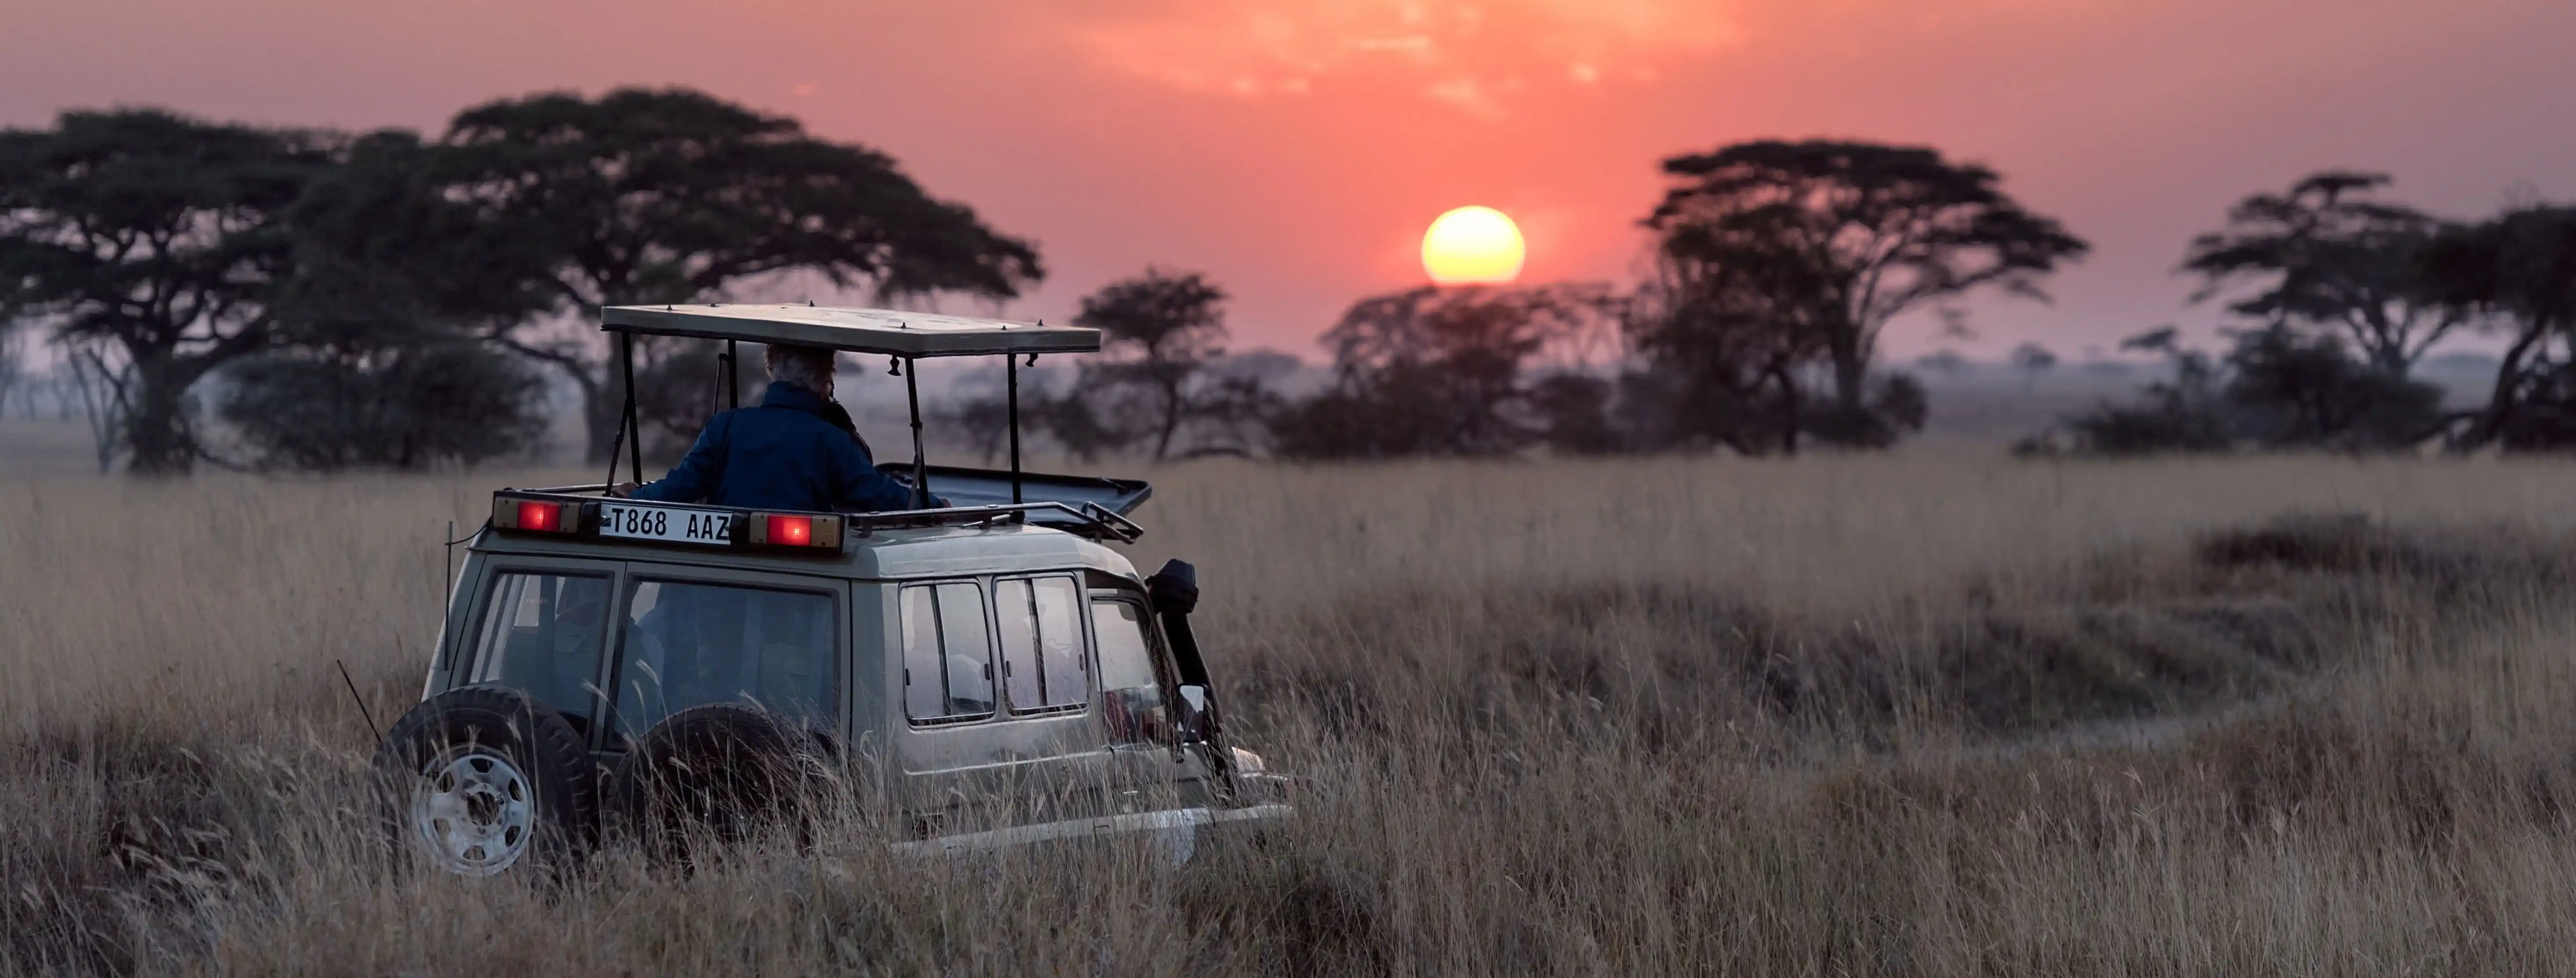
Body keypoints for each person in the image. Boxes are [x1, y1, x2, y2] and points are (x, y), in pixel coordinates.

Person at [612, 343, 937, 512]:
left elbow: (681, 486)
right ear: (826, 379)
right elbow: (875, 492)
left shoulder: (725, 426)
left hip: (726, 577)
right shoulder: (830, 440)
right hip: (803, 582)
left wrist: (638, 495)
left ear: (772, 370)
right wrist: (934, 506)